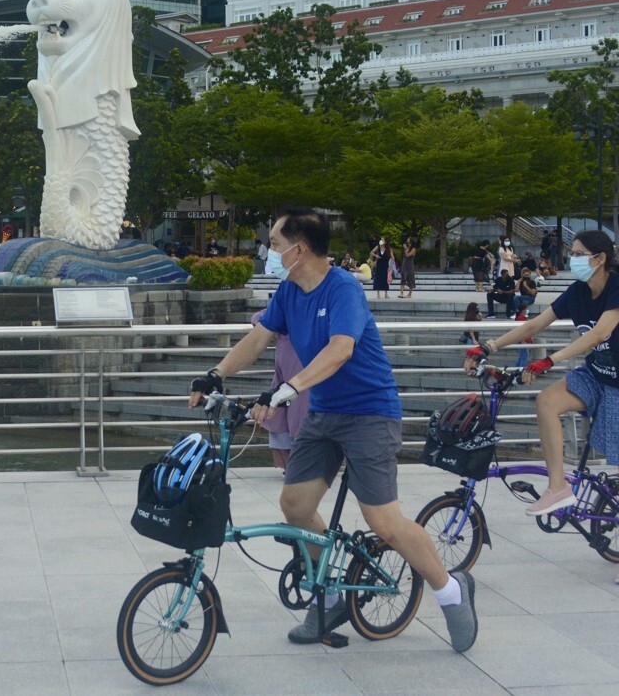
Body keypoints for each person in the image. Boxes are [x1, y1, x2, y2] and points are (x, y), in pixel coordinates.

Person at [192, 208, 478, 652]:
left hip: (369, 413)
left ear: (298, 248)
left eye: (272, 242)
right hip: (324, 412)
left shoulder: (344, 288)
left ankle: (451, 590)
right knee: (296, 505)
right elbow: (258, 338)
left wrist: (286, 390)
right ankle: (329, 592)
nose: (267, 250)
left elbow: (340, 350)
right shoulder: (289, 290)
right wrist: (216, 372)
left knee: (383, 520)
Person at [465, 229, 619, 585]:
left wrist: (549, 361)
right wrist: (489, 347)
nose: (575, 259)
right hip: (598, 374)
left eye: (581, 253)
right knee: (547, 400)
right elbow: (536, 323)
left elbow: (599, 334)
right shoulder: (579, 292)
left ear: (600, 259)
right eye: (574, 252)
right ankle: (558, 487)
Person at [249, 309, 308, 472]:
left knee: (300, 411)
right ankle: (294, 466)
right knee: (283, 411)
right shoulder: (287, 305)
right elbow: (259, 318)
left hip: (302, 364)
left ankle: (301, 466)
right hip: (288, 362)